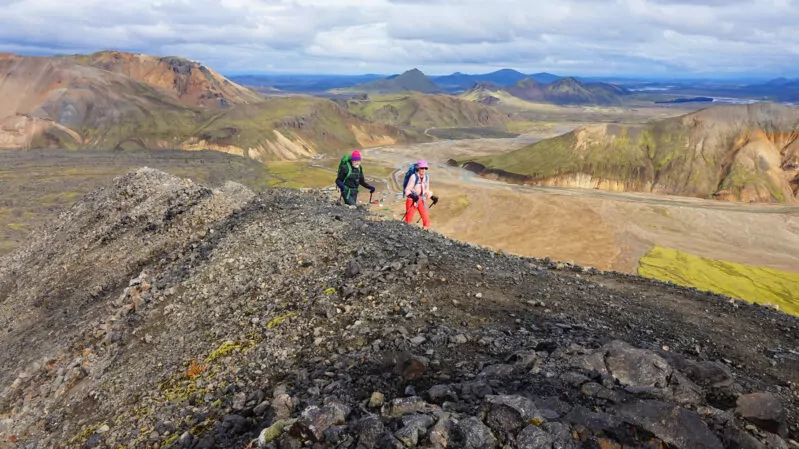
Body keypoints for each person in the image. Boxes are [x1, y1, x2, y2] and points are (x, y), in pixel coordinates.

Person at [403, 160, 438, 228]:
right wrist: (412, 196)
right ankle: (404, 232)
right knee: (408, 219)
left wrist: (432, 197)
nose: (424, 170)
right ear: (418, 168)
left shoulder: (426, 177)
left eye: (425, 168)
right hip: (411, 200)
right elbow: (407, 190)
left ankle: (426, 234)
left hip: (421, 200)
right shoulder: (413, 177)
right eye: (422, 168)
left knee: (426, 219)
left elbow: (426, 190)